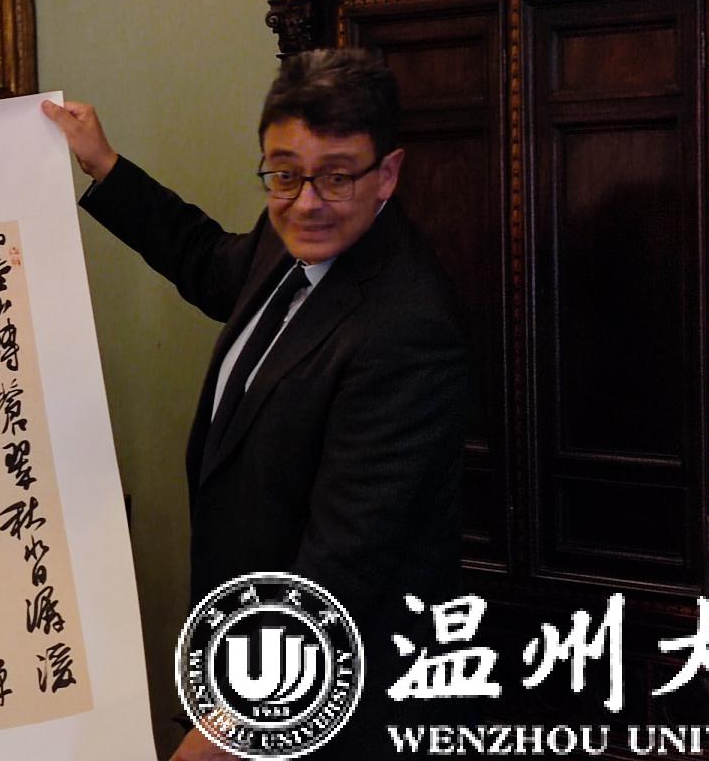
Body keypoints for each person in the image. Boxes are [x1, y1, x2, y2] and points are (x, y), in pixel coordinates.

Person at [43, 49, 472, 760]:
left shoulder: (407, 329)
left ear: (387, 174)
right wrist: (105, 166)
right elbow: (211, 264)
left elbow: (344, 567)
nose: (306, 201)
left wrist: (231, 725)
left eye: (337, 176)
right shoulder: (291, 238)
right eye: (284, 173)